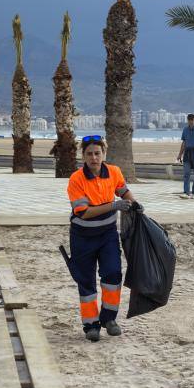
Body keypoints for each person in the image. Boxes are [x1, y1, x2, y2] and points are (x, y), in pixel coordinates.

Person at [66, 135, 138, 342]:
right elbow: (84, 212)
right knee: (86, 281)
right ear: (83, 156)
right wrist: (114, 206)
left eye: (97, 153)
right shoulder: (76, 179)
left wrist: (133, 203)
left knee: (113, 274)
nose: (94, 158)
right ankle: (91, 326)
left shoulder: (113, 172)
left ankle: (109, 319)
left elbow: (123, 190)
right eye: (89, 154)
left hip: (107, 236)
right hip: (82, 237)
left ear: (104, 154)